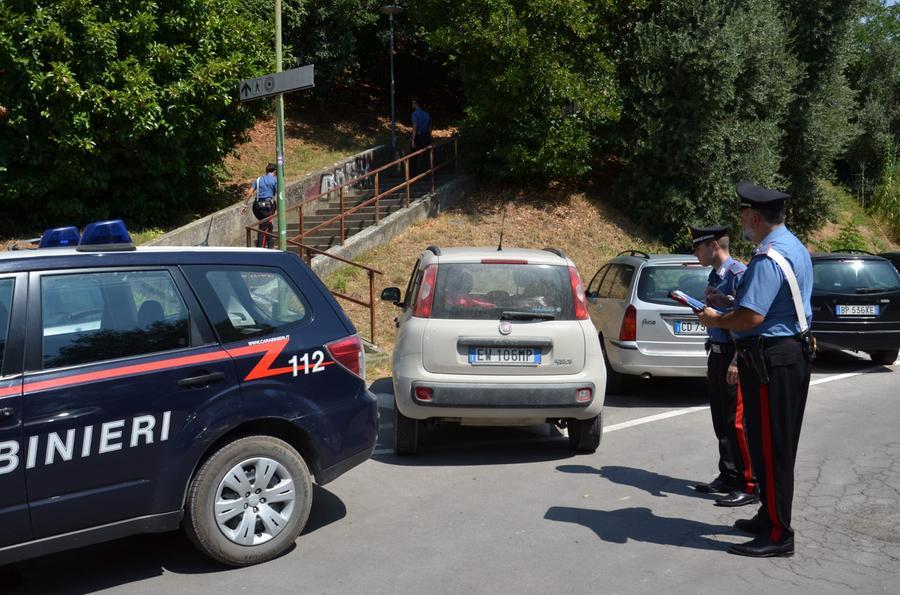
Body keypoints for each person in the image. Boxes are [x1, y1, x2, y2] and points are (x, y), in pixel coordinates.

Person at [698, 181, 814, 558]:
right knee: (767, 444)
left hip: (771, 360)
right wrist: (730, 301)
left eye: (744, 215)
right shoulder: (791, 245)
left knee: (772, 448)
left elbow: (753, 317)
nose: (741, 222)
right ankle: (768, 516)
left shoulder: (767, 257)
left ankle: (779, 534)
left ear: (755, 218)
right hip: (783, 356)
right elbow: (770, 304)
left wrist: (717, 319)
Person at [688, 225, 757, 508]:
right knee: (721, 420)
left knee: (737, 423)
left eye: (698, 248)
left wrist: (737, 360)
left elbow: (747, 320)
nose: (695, 253)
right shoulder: (715, 275)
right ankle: (729, 475)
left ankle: (750, 483)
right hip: (717, 353)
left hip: (733, 354)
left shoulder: (738, 274)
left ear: (714, 246)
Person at [242, 163, 277, 248]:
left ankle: (270, 247)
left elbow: (250, 193)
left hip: (257, 206)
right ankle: (260, 248)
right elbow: (279, 194)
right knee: (264, 227)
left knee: (268, 225)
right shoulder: (275, 180)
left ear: (266, 170)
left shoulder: (258, 179)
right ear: (275, 171)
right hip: (267, 206)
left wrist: (244, 205)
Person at [410, 99, 432, 175]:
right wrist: (429, 137)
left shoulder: (414, 114)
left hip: (418, 136)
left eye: (413, 103)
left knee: (414, 156)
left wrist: (413, 139)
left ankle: (413, 174)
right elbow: (430, 128)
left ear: (416, 104)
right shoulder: (427, 114)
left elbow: (415, 126)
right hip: (426, 136)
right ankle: (428, 172)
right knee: (426, 155)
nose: (412, 104)